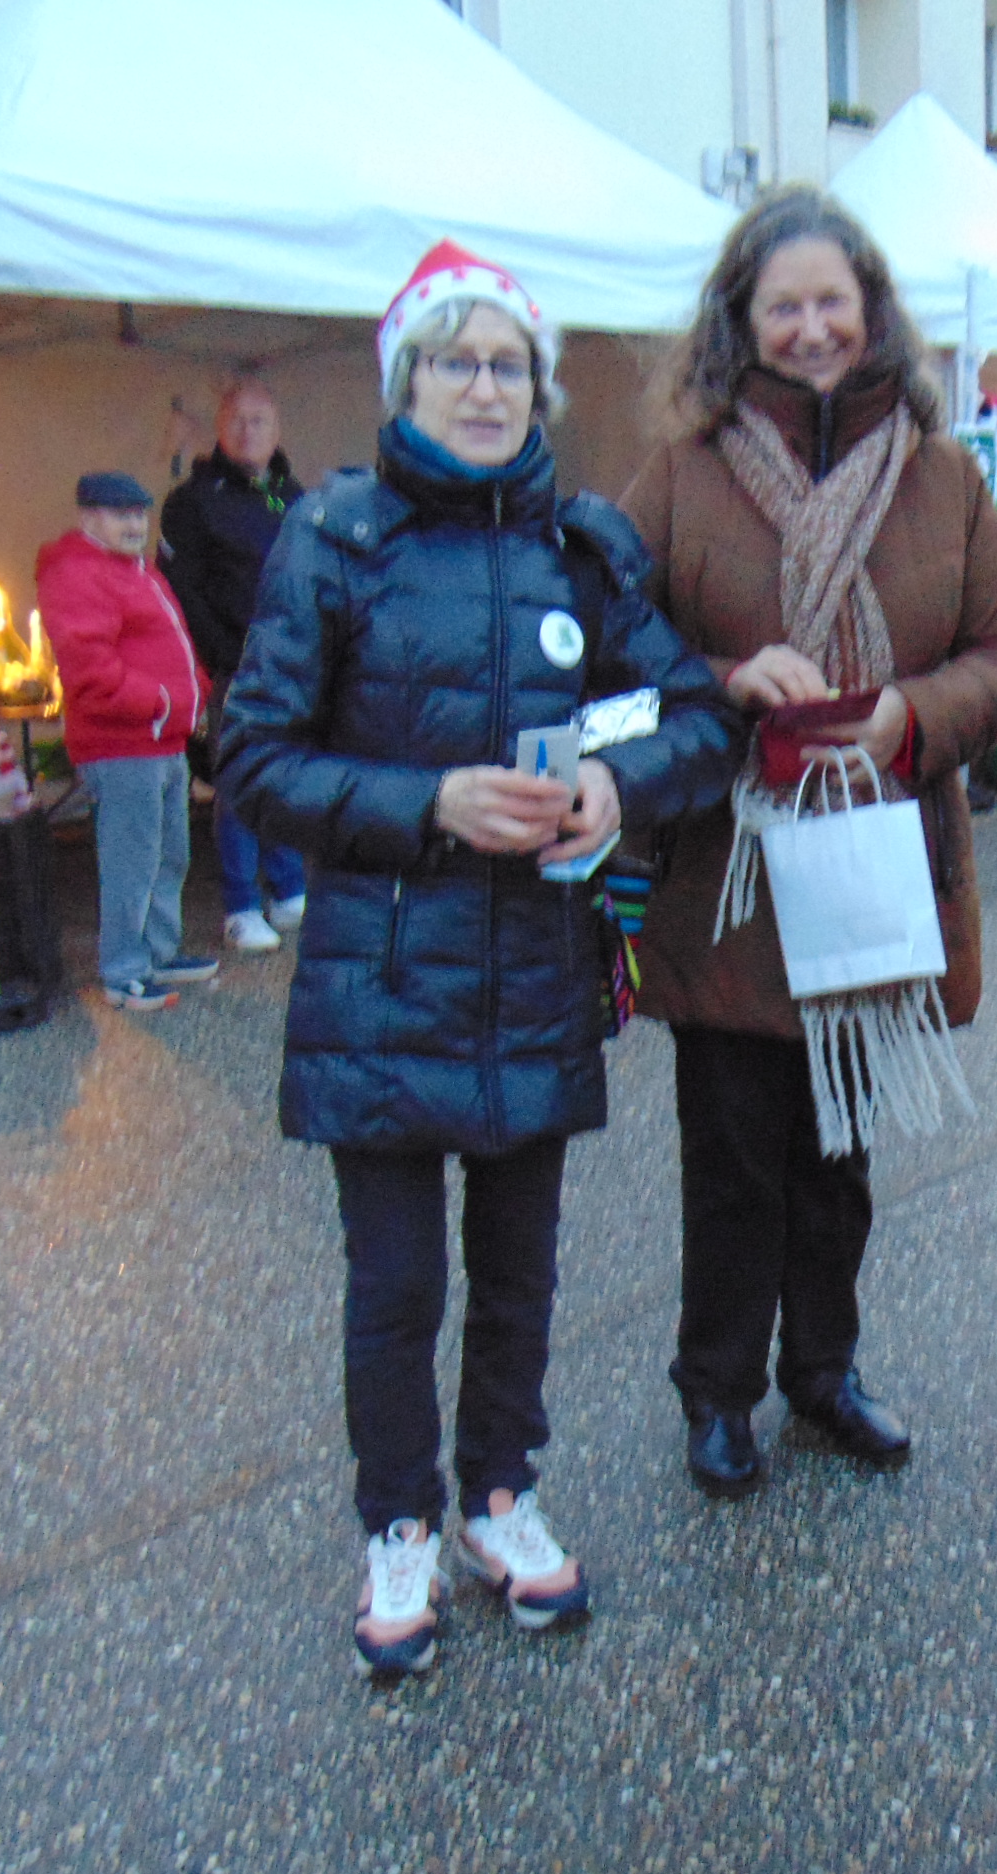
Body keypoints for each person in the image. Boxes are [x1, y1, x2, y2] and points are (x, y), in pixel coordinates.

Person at [219, 241, 741, 1677]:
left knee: (520, 1277)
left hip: (533, 975)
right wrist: (429, 803)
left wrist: (616, 789)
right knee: (395, 1288)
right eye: (455, 361)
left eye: (508, 364)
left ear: (538, 388)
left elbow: (700, 718)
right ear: (407, 380)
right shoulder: (335, 537)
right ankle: (399, 1520)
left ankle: (499, 1495)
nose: (485, 388)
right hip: (381, 983)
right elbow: (251, 758)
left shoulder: (584, 547)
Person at [619, 185, 997, 1499]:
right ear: (739, 320)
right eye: (783, 306)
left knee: (839, 1161)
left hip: (878, 869)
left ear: (872, 313)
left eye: (832, 302)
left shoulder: (942, 476)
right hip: (731, 882)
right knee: (731, 1161)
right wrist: (720, 678)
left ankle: (823, 1369)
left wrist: (913, 716)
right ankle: (717, 1389)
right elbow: (611, 653)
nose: (811, 328)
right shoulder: (681, 474)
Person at [37, 470, 221, 1011]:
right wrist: (166, 703)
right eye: (121, 515)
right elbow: (91, 673)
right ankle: (123, 972)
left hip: (162, 742)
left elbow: (174, 645)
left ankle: (157, 953)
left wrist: (193, 696)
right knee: (132, 864)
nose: (136, 525)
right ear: (88, 517)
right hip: (123, 747)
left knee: (168, 856)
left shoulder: (136, 571)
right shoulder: (77, 574)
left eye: (140, 514)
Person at [161, 376, 309, 953]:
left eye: (260, 421)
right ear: (220, 428)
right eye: (238, 420)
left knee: (284, 775)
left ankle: (289, 887)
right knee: (239, 781)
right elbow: (182, 591)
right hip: (232, 666)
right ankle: (241, 904)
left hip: (291, 665)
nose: (249, 432)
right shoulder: (193, 502)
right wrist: (222, 653)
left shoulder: (290, 496)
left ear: (277, 429)